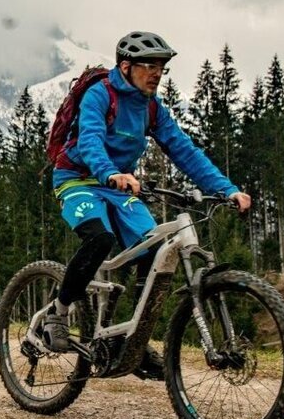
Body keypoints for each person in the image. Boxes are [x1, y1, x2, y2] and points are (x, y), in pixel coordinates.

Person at [44, 31, 251, 379]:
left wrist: (227, 189)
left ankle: (131, 341)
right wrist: (111, 173)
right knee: (99, 238)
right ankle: (59, 312)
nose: (156, 73)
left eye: (161, 67)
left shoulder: (152, 108)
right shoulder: (100, 95)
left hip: (119, 186)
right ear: (126, 67)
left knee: (154, 251)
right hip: (78, 178)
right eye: (149, 66)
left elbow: (184, 151)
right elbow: (91, 140)